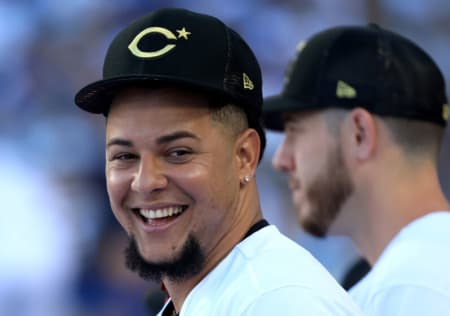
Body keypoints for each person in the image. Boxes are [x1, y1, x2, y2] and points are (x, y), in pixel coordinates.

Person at [73, 8, 363, 316]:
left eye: (178, 153)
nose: (145, 181)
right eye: (125, 156)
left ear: (245, 157)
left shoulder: (278, 301)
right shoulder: (227, 294)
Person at [263, 24, 450, 315]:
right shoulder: (441, 270)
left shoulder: (413, 289)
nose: (282, 159)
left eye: (295, 131)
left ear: (359, 134)